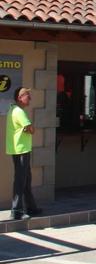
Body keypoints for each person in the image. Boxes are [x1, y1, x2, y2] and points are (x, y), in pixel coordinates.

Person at [5, 87, 41, 220]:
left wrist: (28, 129)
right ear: (20, 98)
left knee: (26, 180)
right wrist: (30, 129)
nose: (30, 98)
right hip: (20, 150)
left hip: (21, 149)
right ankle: (17, 211)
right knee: (21, 180)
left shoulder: (14, 110)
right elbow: (31, 129)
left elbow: (29, 129)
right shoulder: (19, 112)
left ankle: (31, 207)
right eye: (27, 95)